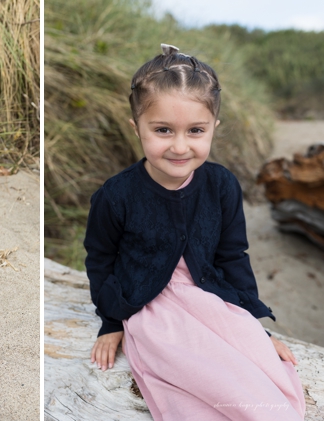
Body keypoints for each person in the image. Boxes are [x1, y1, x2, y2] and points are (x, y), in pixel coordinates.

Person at [85, 44, 305, 420]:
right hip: (150, 303)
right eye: (163, 130)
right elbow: (100, 258)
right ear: (136, 126)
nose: (180, 146)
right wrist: (110, 321)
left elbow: (232, 255)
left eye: (196, 130)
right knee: (188, 371)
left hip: (211, 293)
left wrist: (255, 327)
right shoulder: (116, 195)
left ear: (214, 128)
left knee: (258, 377)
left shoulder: (221, 185)